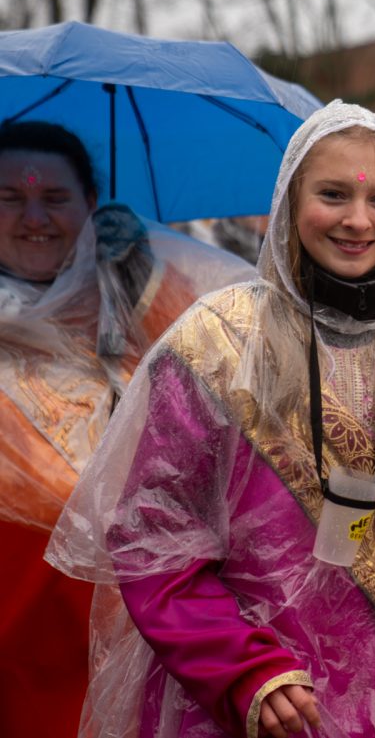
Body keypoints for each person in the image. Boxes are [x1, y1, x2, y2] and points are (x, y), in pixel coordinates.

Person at [45, 102, 375, 738]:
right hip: (249, 704)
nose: (358, 220)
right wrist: (242, 670)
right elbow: (152, 536)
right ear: (290, 201)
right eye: (332, 194)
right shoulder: (215, 345)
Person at [0, 120, 254, 738]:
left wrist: (142, 289)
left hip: (144, 616)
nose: (34, 216)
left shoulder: (140, 297)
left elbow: (240, 378)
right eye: (9, 198)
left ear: (91, 205)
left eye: (55, 198)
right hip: (20, 631)